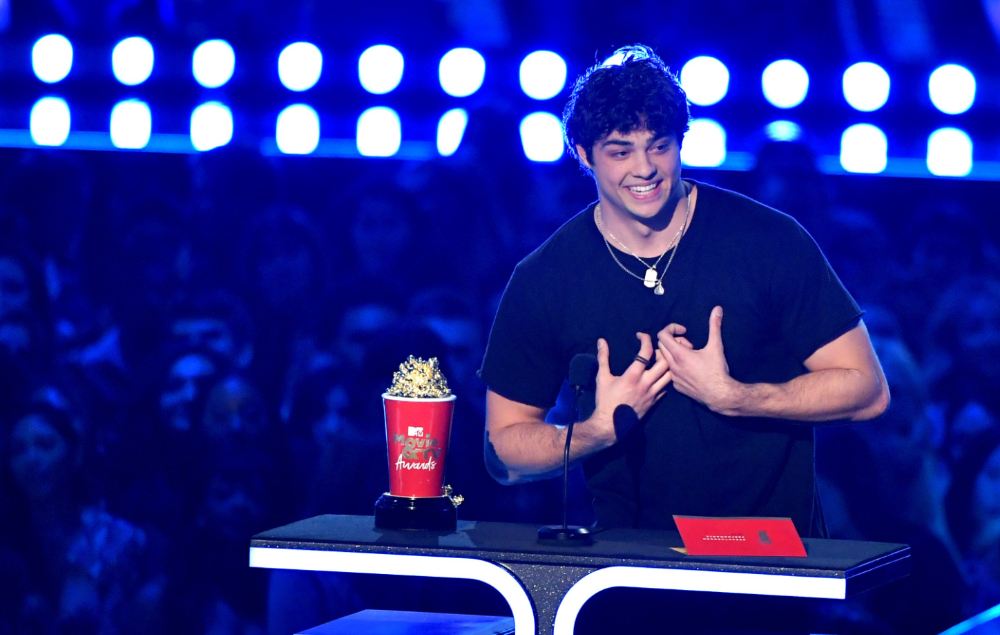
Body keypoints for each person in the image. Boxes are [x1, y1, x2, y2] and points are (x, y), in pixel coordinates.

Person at [479, 44, 889, 536]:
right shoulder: (545, 277)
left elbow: (868, 390)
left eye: (659, 144)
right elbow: (502, 451)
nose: (645, 168)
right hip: (628, 566)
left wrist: (738, 397)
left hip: (768, 559)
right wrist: (593, 432)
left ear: (681, 142)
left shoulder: (769, 242)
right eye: (620, 150)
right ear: (583, 154)